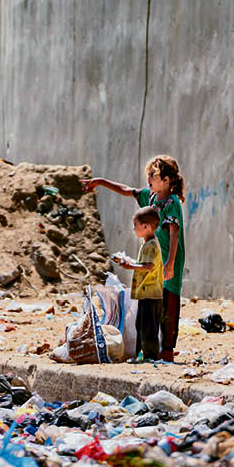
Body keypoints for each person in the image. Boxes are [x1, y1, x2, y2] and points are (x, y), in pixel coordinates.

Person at [81, 155, 186, 362]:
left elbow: (175, 233)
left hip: (168, 258)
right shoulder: (152, 197)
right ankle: (148, 348)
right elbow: (127, 190)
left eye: (152, 175)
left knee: (169, 301)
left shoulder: (172, 203)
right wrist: (101, 182)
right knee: (152, 303)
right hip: (152, 257)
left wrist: (170, 263)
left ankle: (167, 349)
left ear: (166, 180)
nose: (148, 178)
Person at [112, 205, 163, 360]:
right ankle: (141, 354)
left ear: (146, 226)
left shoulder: (151, 245)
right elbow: (144, 263)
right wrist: (128, 261)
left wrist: (130, 266)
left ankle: (151, 355)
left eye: (136, 226)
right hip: (145, 293)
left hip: (151, 294)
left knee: (149, 327)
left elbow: (149, 266)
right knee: (140, 325)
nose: (134, 229)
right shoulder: (147, 244)